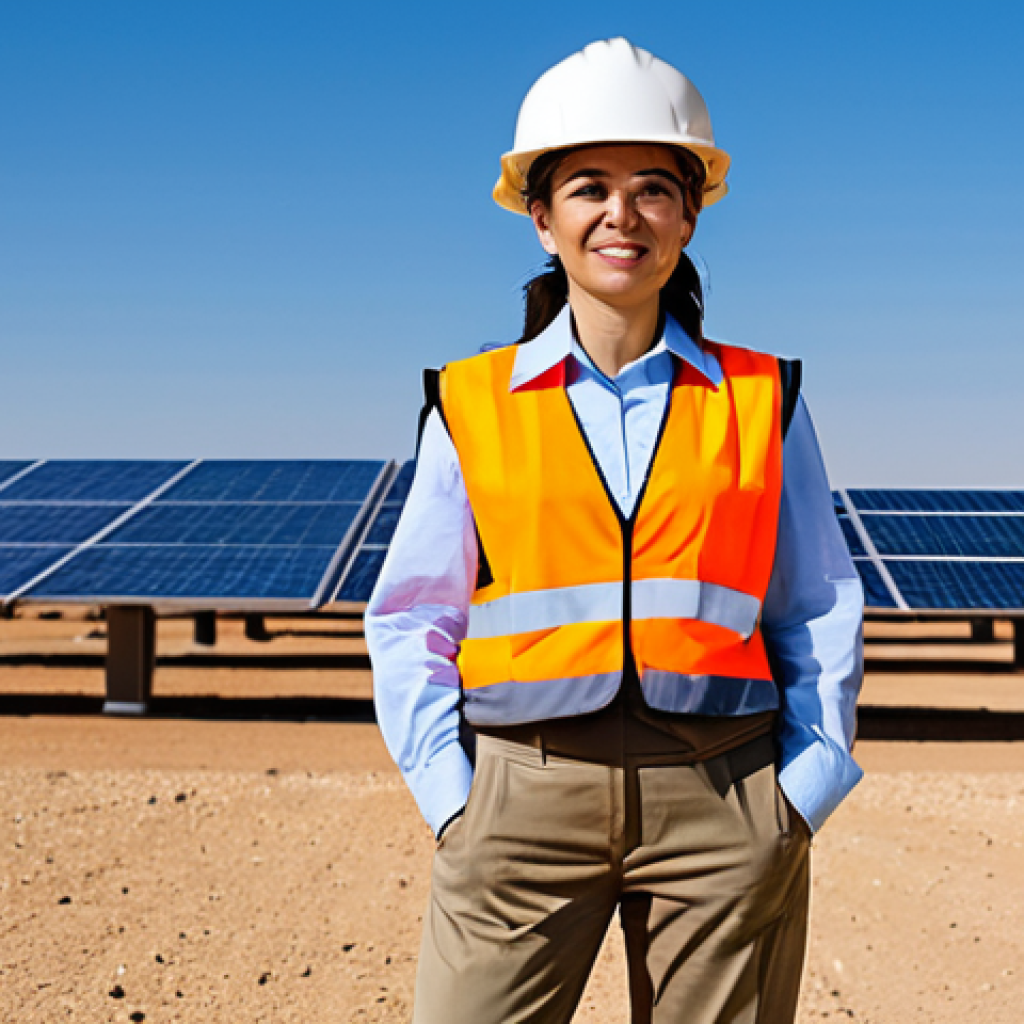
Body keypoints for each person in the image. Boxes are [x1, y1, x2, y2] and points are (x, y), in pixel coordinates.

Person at [366, 37, 864, 1024]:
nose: (620, 214)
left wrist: (802, 790)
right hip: (519, 795)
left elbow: (816, 603)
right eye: (588, 186)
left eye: (652, 187)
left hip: (725, 796)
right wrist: (454, 800)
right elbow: (412, 617)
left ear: (688, 215)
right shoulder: (472, 402)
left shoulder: (765, 397)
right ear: (541, 219)